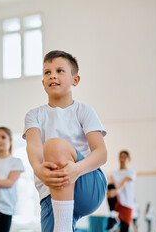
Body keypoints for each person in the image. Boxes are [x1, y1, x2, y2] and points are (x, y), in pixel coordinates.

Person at [23, 50, 107, 232]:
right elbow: (33, 145)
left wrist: (75, 170)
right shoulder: (34, 115)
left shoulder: (84, 111)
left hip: (87, 182)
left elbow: (101, 153)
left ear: (75, 80)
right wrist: (38, 169)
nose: (52, 75)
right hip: (51, 190)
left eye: (60, 70)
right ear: (43, 83)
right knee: (50, 148)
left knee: (54, 145)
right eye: (47, 72)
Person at [105, 150, 136, 232]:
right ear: (118, 159)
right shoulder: (113, 173)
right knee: (110, 186)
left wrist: (115, 192)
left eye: (125, 157)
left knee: (124, 229)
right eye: (121, 157)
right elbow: (110, 183)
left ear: (128, 159)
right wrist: (109, 194)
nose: (122, 159)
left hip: (127, 203)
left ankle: (113, 218)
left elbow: (124, 183)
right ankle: (112, 216)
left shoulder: (131, 172)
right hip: (116, 201)